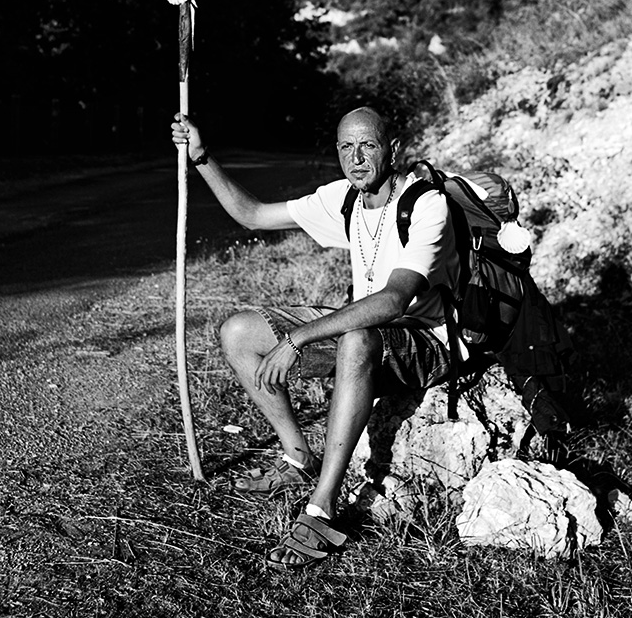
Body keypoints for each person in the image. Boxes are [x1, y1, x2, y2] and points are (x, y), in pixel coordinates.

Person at [170, 105, 461, 569]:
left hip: (426, 340)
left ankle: (322, 508)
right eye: (346, 147)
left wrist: (298, 338)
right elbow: (253, 215)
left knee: (357, 338)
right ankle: (297, 457)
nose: (357, 157)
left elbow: (392, 302)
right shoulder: (343, 197)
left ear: (394, 150)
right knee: (239, 331)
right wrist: (202, 157)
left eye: (368, 145)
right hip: (366, 332)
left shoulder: (425, 204)